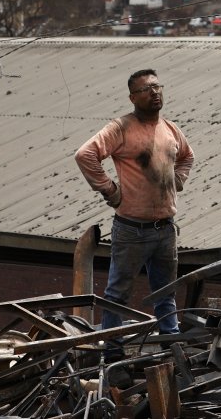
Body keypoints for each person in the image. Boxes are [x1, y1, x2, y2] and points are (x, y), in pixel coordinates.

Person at [75, 68, 195, 343]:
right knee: (117, 294)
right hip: (132, 229)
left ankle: (170, 344)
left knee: (166, 292)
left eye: (157, 87)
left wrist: (177, 180)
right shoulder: (121, 128)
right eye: (145, 89)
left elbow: (187, 156)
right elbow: (85, 154)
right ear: (132, 97)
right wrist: (110, 190)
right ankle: (112, 350)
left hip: (165, 228)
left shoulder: (170, 129)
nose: (154, 93)